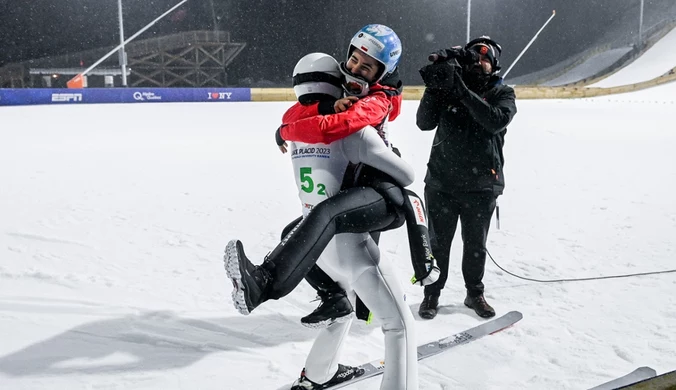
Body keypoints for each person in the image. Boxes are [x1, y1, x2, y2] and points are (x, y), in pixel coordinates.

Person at [224, 25, 439, 326]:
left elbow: (335, 127)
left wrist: (288, 131)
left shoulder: (378, 100)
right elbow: (298, 111)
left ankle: (265, 282)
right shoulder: (346, 85)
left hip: (380, 187)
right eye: (354, 59)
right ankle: (334, 299)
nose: (356, 68)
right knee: (294, 231)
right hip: (356, 186)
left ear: (380, 73)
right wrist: (324, 105)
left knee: (327, 214)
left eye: (367, 67)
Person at [268, 52, 421, 390]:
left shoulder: (298, 132)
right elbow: (406, 175)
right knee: (399, 325)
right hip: (349, 241)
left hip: (314, 240)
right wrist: (386, 155)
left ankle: (317, 374)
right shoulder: (351, 131)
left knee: (344, 307)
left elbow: (300, 123)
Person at [416, 36, 518, 319]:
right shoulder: (450, 89)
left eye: (487, 59)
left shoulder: (502, 93)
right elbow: (424, 123)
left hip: (481, 184)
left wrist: (461, 91)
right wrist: (434, 88)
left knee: (475, 245)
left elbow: (495, 120)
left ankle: (474, 293)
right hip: (442, 182)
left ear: (494, 65)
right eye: (475, 57)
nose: (480, 62)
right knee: (438, 244)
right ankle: (432, 294)